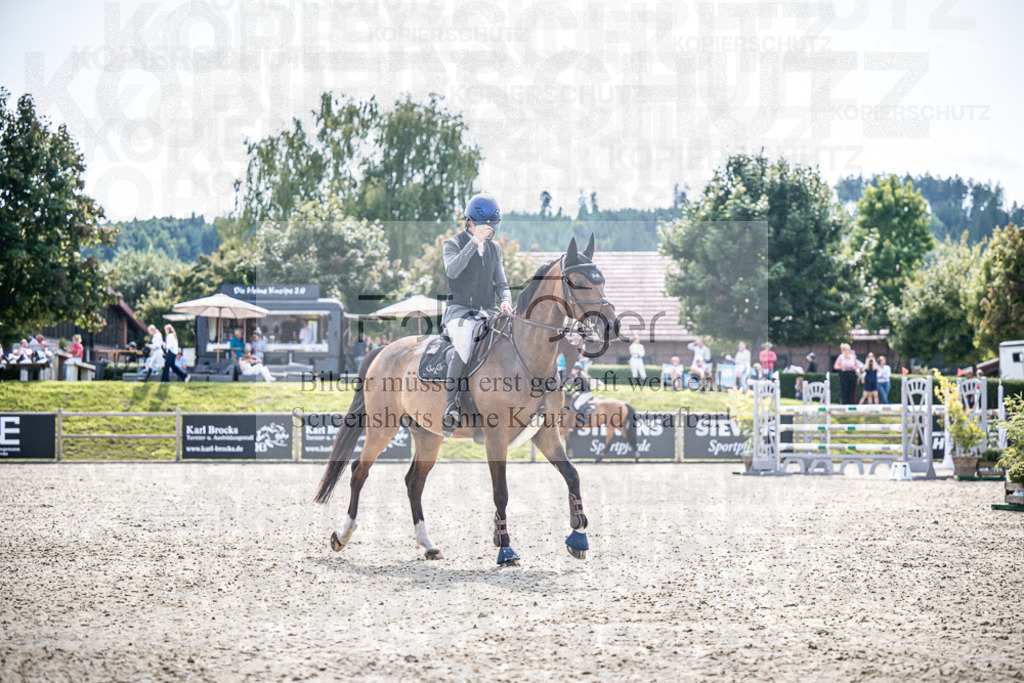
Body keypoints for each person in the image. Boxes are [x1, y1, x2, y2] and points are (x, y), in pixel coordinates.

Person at [440, 193, 512, 436]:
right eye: (484, 226)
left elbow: (501, 283)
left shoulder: (495, 249)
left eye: (492, 226)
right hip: (459, 311)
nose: (489, 231)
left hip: (488, 310)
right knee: (465, 340)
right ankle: (451, 407)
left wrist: (505, 301)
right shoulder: (452, 243)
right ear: (469, 222)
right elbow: (452, 271)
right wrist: (473, 243)